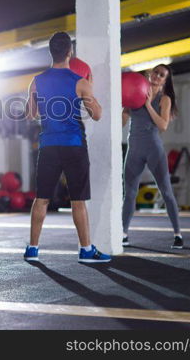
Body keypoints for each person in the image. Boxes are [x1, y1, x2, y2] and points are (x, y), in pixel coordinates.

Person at [24, 32, 111, 263]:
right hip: (73, 146)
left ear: (50, 52)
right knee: (78, 200)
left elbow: (30, 115)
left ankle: (32, 249)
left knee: (41, 198)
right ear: (69, 53)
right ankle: (86, 250)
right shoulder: (80, 82)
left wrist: (33, 97)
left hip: (49, 146)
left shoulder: (36, 81)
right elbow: (98, 114)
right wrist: (89, 89)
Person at [122, 64, 183, 249]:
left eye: (161, 75)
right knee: (129, 194)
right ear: (150, 73)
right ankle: (123, 233)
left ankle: (178, 234)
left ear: (165, 81)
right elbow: (123, 120)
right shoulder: (134, 92)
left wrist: (148, 104)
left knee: (166, 192)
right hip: (134, 148)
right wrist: (122, 104)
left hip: (153, 148)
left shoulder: (164, 99)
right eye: (155, 72)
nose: (157, 76)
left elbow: (163, 125)